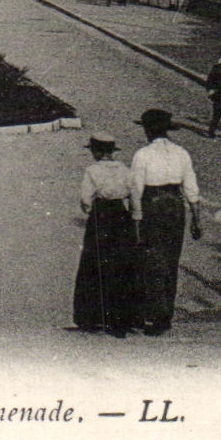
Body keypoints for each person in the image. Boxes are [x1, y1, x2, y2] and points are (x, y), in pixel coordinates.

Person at [130, 108, 202, 336]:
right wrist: (196, 219)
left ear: (148, 130)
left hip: (153, 205)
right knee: (171, 259)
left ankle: (152, 314)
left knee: (151, 259)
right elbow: (191, 188)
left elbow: (136, 190)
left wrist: (136, 219)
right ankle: (165, 314)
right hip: (175, 206)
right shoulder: (181, 153)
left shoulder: (143, 155)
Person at [73, 134, 136, 337]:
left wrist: (90, 210)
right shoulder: (126, 170)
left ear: (97, 152)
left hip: (101, 216)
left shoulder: (92, 171)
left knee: (95, 263)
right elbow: (135, 198)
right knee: (121, 264)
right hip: (121, 215)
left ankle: (92, 317)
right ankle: (120, 318)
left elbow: (85, 199)